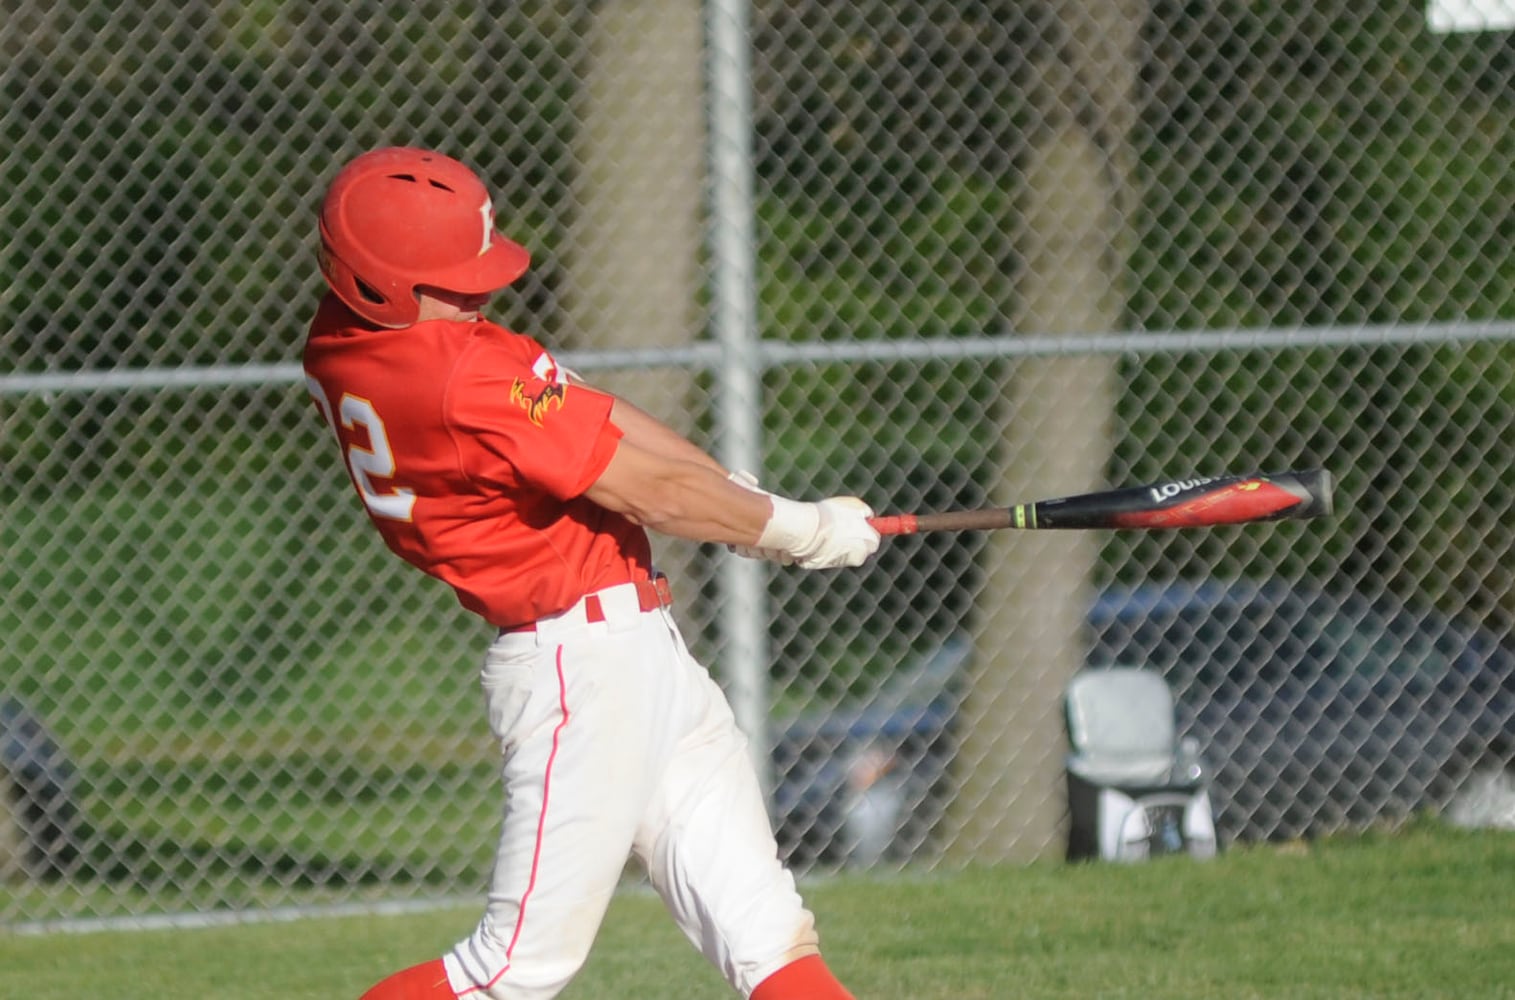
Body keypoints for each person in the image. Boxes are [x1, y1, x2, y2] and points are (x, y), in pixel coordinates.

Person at [303, 146, 880, 1000]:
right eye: (452, 280)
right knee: (508, 971)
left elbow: (601, 421)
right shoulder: (460, 373)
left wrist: (735, 501)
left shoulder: (356, 342)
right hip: (582, 674)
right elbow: (641, 483)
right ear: (377, 282)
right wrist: (799, 530)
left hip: (638, 662)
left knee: (771, 938)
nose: (478, 292)